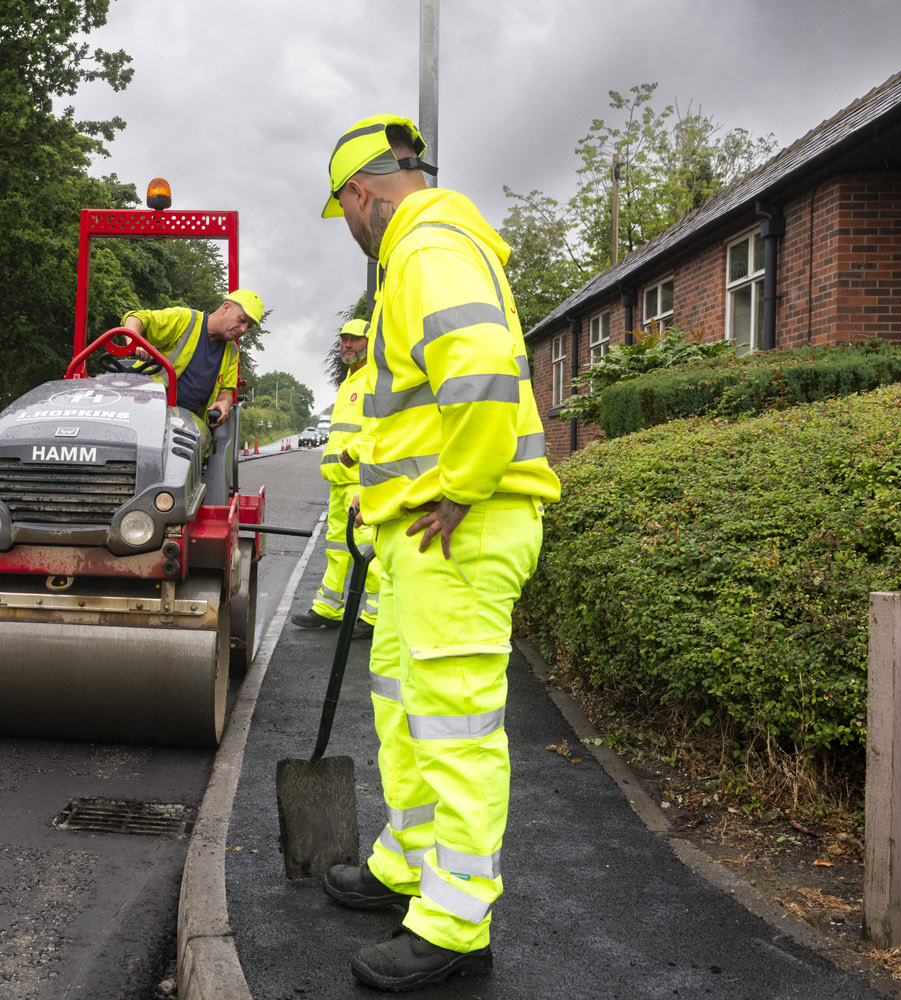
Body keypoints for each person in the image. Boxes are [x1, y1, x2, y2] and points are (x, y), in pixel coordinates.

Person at [318, 113, 562, 992]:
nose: (348, 229)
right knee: (408, 705)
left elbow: (489, 366)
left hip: (459, 525)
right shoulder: (435, 245)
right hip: (426, 534)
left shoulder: (424, 249)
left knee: (454, 725)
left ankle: (456, 923)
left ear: (360, 195)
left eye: (343, 212)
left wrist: (461, 481)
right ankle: (411, 863)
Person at [291, 318, 382, 639]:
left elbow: (380, 425)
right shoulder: (349, 382)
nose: (347, 345)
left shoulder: (375, 378)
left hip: (362, 478)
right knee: (337, 548)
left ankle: (374, 617)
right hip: (340, 480)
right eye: (344, 339)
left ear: (370, 343)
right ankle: (328, 609)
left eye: (355, 340)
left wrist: (356, 450)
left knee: (367, 549)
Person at [120, 289, 263, 427]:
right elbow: (136, 318)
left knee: (199, 439)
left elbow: (226, 390)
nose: (243, 329)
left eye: (248, 327)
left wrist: (224, 402)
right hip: (146, 401)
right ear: (226, 308)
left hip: (187, 419)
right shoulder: (184, 320)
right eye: (242, 320)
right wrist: (135, 341)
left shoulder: (232, 352)